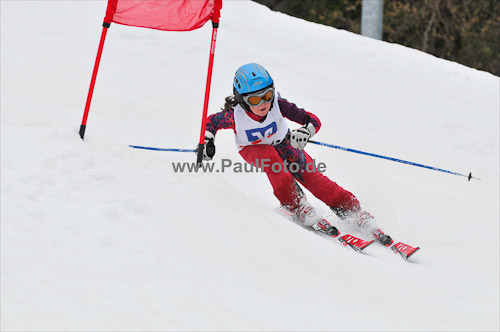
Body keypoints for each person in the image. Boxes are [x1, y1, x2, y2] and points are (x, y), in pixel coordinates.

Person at [200, 63, 392, 246]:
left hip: (285, 142)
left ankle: (352, 211)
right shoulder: (234, 115)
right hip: (253, 149)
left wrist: (306, 131)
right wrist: (207, 141)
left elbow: (311, 119)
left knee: (314, 178)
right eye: (255, 99)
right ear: (242, 99)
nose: (264, 103)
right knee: (271, 159)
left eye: (267, 95)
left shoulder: (278, 104)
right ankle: (295, 204)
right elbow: (211, 122)